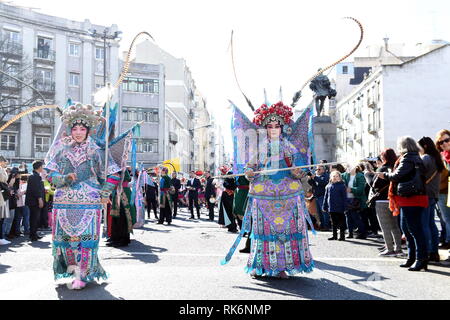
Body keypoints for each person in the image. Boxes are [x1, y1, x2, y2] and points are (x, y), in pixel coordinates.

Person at [222, 101, 315, 279]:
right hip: (263, 194)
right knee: (263, 231)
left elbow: (295, 169)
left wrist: (297, 171)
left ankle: (282, 267)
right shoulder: (259, 148)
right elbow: (250, 169)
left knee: (286, 232)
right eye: (270, 126)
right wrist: (249, 173)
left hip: (287, 194)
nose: (273, 129)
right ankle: (260, 265)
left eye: (277, 126)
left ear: (282, 128)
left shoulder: (289, 146)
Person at [45, 102, 122, 289]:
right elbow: (49, 173)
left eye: (82, 128)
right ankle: (72, 270)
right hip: (64, 201)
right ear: (69, 129)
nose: (78, 132)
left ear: (88, 130)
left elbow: (113, 173)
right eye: (75, 128)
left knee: (86, 242)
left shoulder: (97, 149)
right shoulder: (61, 147)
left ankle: (82, 274)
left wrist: (105, 192)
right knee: (66, 242)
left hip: (90, 201)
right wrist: (63, 178)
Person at [376, 136, 429, 271]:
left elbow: (397, 176)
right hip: (412, 197)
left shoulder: (408, 158)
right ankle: (413, 258)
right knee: (408, 229)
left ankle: (420, 259)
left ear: (403, 146)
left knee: (413, 230)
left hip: (410, 198)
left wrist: (386, 175)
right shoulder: (415, 157)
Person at [366, 149, 403, 256]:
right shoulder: (396, 167)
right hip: (393, 200)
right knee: (395, 225)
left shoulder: (382, 168)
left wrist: (367, 175)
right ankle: (398, 248)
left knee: (385, 226)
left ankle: (390, 249)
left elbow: (373, 185)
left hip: (382, 200)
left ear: (384, 157)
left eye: (382, 156)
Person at [418, 137, 444, 263]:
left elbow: (418, 174)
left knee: (424, 225)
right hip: (433, 194)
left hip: (425, 194)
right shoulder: (437, 158)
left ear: (425, 146)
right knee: (431, 224)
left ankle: (427, 252)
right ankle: (434, 252)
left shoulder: (426, 158)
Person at [107, 169, 136, 247]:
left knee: (122, 217)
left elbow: (125, 179)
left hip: (123, 194)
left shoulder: (123, 168)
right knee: (115, 217)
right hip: (117, 193)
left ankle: (123, 239)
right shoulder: (115, 167)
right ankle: (115, 238)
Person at [342, 165, 368, 239]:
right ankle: (350, 233)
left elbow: (361, 189)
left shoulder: (360, 176)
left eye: (350, 167)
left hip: (357, 200)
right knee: (348, 216)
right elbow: (336, 176)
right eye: (347, 167)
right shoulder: (344, 175)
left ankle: (363, 233)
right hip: (347, 199)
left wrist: (351, 189)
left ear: (355, 167)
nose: (348, 168)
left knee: (355, 217)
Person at [435, 129, 450, 250]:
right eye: (441, 142)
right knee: (446, 220)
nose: (444, 143)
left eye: (447, 140)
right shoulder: (440, 157)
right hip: (443, 191)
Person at [323, 171, 347, 241]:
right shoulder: (328, 186)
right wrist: (324, 206)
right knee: (333, 222)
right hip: (331, 207)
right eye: (333, 176)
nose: (335, 178)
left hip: (340, 207)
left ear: (339, 177)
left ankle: (342, 236)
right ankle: (334, 236)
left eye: (337, 176)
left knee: (341, 222)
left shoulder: (342, 186)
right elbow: (326, 196)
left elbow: (344, 197)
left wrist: (345, 207)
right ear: (331, 177)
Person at [25, 161, 45, 242]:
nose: (42, 168)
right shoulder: (35, 176)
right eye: (42, 166)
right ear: (39, 167)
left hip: (33, 201)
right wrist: (40, 199)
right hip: (34, 201)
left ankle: (33, 234)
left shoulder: (34, 176)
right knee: (34, 218)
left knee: (34, 218)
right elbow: (36, 190)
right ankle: (33, 235)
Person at [307, 165, 331, 231]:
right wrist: (310, 177)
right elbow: (310, 183)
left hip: (323, 196)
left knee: (324, 212)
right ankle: (322, 226)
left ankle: (326, 226)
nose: (317, 170)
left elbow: (323, 182)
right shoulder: (316, 176)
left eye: (319, 169)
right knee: (319, 213)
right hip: (317, 196)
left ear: (323, 170)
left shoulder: (326, 175)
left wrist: (314, 177)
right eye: (317, 169)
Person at [218, 166, 237, 232]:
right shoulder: (232, 178)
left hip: (228, 195)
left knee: (229, 212)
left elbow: (226, 185)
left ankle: (232, 226)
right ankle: (231, 226)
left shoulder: (229, 178)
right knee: (229, 212)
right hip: (229, 195)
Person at [0, 156, 11, 245]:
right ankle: (0, 238)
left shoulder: (2, 169)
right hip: (1, 194)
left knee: (2, 217)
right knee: (1, 217)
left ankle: (1, 237)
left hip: (3, 195)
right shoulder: (0, 169)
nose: (5, 163)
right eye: (4, 162)